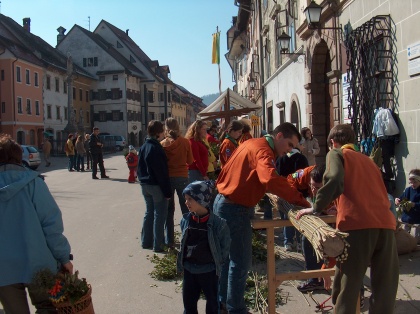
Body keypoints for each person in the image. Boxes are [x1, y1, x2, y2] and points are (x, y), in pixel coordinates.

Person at [296, 124, 398, 314]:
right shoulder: (369, 161)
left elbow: (334, 178)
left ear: (333, 142)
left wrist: (317, 206)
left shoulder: (337, 154)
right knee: (385, 288)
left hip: (358, 226)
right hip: (385, 224)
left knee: (347, 286)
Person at [214, 122, 310, 313]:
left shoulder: (253, 143)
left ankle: (222, 304)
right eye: (290, 145)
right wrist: (301, 201)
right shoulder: (263, 150)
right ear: (279, 136)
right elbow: (270, 179)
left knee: (228, 260)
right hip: (235, 208)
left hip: (224, 202)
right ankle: (236, 309)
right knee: (240, 262)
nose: (290, 151)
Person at [0, 133, 73, 313]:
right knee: (47, 308)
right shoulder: (34, 183)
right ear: (19, 157)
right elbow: (51, 225)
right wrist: (64, 258)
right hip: (37, 262)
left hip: (3, 269)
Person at [177, 180, 230, 314]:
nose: (186, 202)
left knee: (212, 304)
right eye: (186, 199)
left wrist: (218, 263)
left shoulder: (218, 224)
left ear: (201, 200)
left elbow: (225, 247)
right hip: (190, 270)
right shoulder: (186, 220)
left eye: (190, 199)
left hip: (209, 271)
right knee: (189, 304)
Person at [138, 120, 172, 252]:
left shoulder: (144, 146)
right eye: (163, 131)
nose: (164, 133)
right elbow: (161, 172)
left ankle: (146, 241)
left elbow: (139, 167)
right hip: (156, 185)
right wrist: (168, 192)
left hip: (145, 184)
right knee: (160, 215)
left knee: (149, 213)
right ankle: (159, 245)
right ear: (158, 133)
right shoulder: (156, 148)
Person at [161, 117, 194, 248]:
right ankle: (187, 237)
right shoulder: (185, 142)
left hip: (168, 178)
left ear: (166, 127)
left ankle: (169, 240)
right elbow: (190, 161)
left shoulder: (163, 144)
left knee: (169, 210)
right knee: (186, 208)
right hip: (182, 177)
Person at [276, 145, 309, 251]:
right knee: (299, 217)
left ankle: (288, 242)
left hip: (284, 191)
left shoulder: (281, 158)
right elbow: (305, 176)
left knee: (287, 216)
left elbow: (277, 173)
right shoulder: (302, 158)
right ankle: (299, 242)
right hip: (299, 193)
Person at [395, 168, 420, 243]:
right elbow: (401, 198)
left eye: (415, 182)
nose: (412, 184)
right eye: (411, 183)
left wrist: (414, 204)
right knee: (404, 240)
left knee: (415, 240)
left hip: (417, 220)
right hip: (406, 219)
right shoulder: (408, 190)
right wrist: (397, 200)